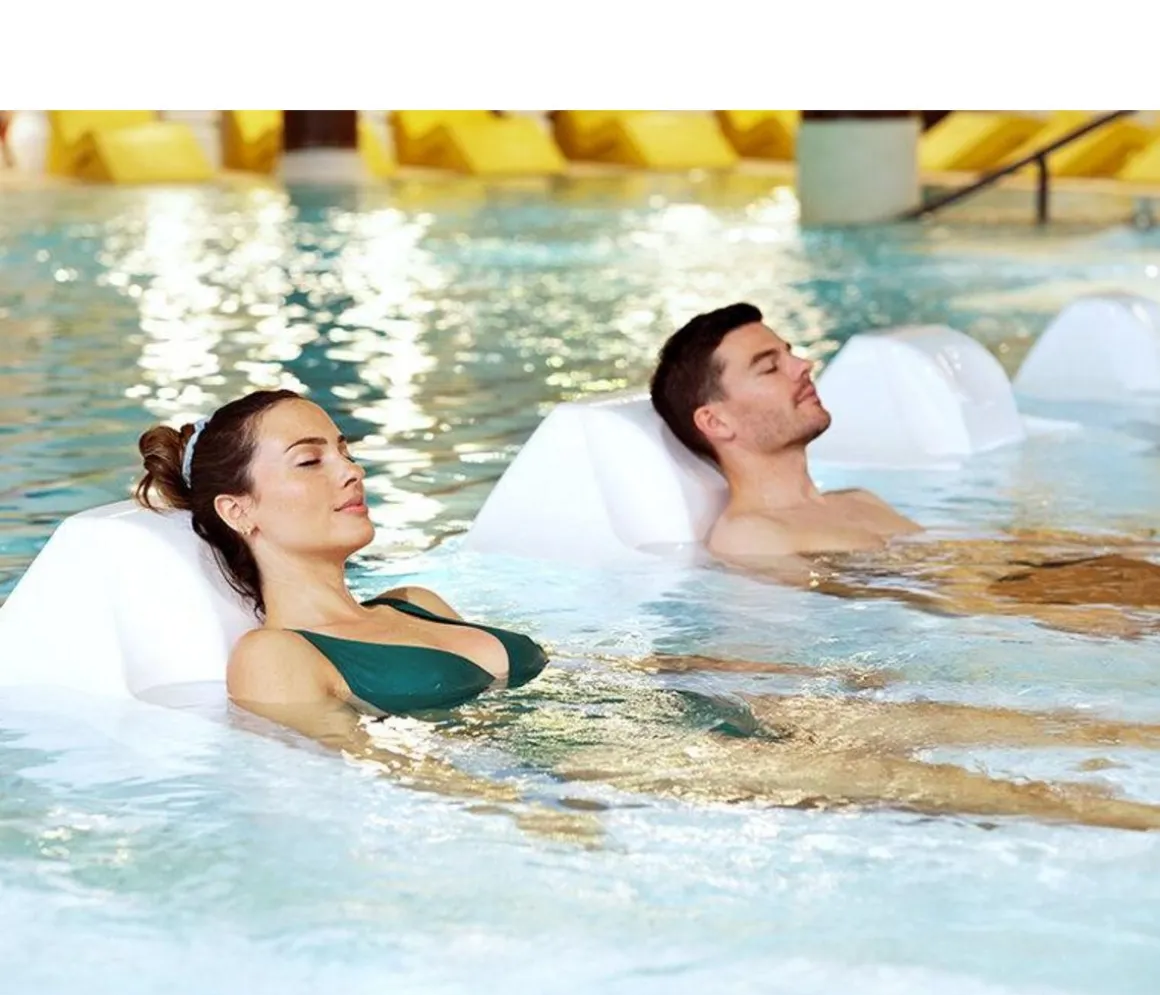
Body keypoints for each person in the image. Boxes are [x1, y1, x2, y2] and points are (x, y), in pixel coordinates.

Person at [135, 389, 1160, 835]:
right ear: (239, 510)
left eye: (345, 449)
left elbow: (568, 678)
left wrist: (733, 681)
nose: (349, 470)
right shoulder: (276, 655)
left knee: (1050, 728)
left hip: (689, 717)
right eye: (310, 460)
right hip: (631, 768)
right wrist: (521, 818)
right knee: (976, 791)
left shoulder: (417, 601)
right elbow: (373, 770)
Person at [650, 303, 1160, 636]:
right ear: (715, 421)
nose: (802, 365)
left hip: (1066, 602)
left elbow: (974, 561)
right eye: (770, 366)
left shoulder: (858, 501)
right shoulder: (751, 536)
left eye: (790, 353)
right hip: (1054, 625)